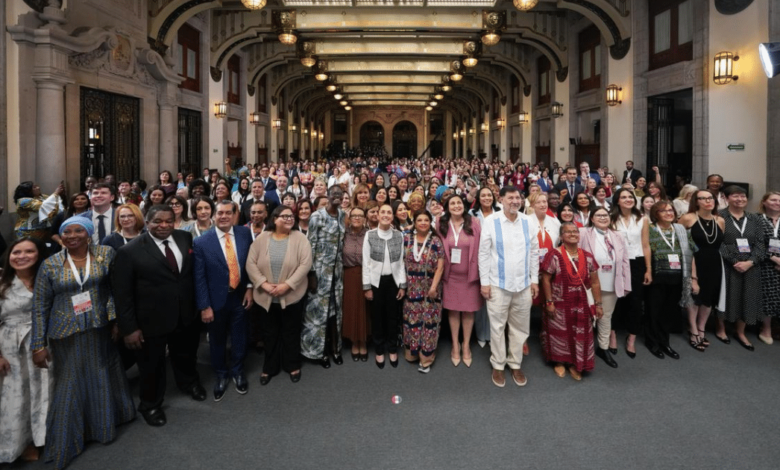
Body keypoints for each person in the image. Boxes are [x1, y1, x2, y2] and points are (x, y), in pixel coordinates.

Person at [31, 218, 135, 468]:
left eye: (79, 230)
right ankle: (66, 441)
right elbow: (39, 307)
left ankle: (103, 427)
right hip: (66, 333)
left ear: (89, 235)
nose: (72, 235)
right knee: (70, 383)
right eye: (66, 232)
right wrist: (38, 344)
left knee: (101, 375)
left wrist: (116, 320)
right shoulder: (51, 264)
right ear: (61, 236)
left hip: (99, 329)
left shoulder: (105, 254)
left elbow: (113, 289)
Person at [112, 205, 206, 427]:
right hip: (150, 321)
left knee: (186, 355)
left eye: (168, 221)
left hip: (185, 314)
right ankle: (150, 404)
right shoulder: (129, 251)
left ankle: (189, 383)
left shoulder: (184, 238)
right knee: (151, 366)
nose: (163, 226)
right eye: (157, 221)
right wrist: (129, 328)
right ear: (146, 221)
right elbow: (122, 294)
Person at [478, 186, 539, 388]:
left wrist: (535, 280)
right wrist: (484, 282)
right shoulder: (490, 222)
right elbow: (484, 254)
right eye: (510, 197)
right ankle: (498, 364)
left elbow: (534, 252)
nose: (515, 201)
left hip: (523, 285)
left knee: (520, 329)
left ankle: (515, 363)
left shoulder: (528, 221)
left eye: (518, 197)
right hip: (497, 285)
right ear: (501, 199)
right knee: (497, 327)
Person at [193, 201, 254, 401]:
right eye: (220, 213)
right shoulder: (202, 241)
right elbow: (199, 277)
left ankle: (237, 370)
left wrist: (250, 288)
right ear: (214, 215)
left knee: (239, 336)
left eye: (228, 213)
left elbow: (250, 265)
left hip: (239, 296)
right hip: (215, 300)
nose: (224, 216)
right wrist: (204, 306)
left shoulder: (245, 234)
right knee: (217, 340)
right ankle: (221, 374)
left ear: (235, 215)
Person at [0, 238, 51, 463]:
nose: (21, 256)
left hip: (43, 344)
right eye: (16, 252)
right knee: (16, 395)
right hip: (10, 347)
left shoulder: (47, 279)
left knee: (44, 391)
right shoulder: (2, 283)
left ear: (38, 255)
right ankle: (17, 444)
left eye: (29, 251)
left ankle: (40, 439)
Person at [540, 222, 603, 380]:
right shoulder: (554, 255)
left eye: (575, 231)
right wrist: (549, 302)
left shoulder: (587, 256)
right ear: (561, 237)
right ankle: (559, 362)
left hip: (581, 303)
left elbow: (595, 282)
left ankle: (576, 364)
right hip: (559, 302)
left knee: (580, 334)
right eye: (568, 232)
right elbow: (546, 280)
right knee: (558, 334)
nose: (573, 234)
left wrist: (598, 304)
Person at [578, 207, 631, 368]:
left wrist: (626, 283)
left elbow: (625, 260)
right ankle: (582, 349)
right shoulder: (583, 233)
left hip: (611, 283)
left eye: (605, 215)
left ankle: (603, 347)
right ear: (592, 219)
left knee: (605, 316)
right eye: (598, 215)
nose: (603, 217)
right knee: (584, 316)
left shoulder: (618, 235)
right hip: (587, 284)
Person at [715, 185, 766, 350]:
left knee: (747, 296)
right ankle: (721, 328)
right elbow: (718, 242)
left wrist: (751, 261)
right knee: (725, 295)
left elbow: (760, 243)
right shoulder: (719, 216)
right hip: (727, 264)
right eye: (735, 196)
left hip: (751, 265)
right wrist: (734, 260)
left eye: (743, 197)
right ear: (726, 198)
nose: (740, 199)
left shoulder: (755, 218)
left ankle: (740, 332)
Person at [644, 200, 696, 359]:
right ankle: (652, 342)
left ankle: (664, 341)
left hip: (678, 276)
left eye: (670, 210)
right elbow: (645, 250)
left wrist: (694, 278)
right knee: (654, 310)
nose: (669, 213)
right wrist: (648, 271)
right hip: (657, 276)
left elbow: (691, 253)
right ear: (655, 214)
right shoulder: (650, 229)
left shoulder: (681, 229)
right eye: (663, 211)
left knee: (669, 311)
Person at [302, 186, 346, 367]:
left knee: (335, 313)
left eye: (340, 194)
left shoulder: (343, 215)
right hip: (320, 272)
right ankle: (320, 353)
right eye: (333, 193)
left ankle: (335, 349)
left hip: (337, 272)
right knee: (319, 314)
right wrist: (311, 273)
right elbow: (310, 244)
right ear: (327, 196)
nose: (337, 197)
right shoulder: (317, 216)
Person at [677, 189, 725, 351]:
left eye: (710, 198)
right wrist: (692, 275)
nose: (707, 201)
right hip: (694, 262)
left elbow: (718, 244)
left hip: (714, 263)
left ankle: (702, 327)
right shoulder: (687, 218)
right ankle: (693, 330)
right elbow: (680, 243)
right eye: (702, 198)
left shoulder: (720, 220)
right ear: (696, 202)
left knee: (708, 297)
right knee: (694, 296)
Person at [438, 195, 482, 367]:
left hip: (470, 277)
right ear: (447, 207)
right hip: (450, 277)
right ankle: (455, 344)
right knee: (454, 311)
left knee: (469, 311)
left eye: (459, 203)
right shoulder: (440, 223)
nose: (456, 206)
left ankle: (466, 345)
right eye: (452, 203)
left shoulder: (475, 223)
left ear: (464, 205)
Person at [362, 203, 407, 369]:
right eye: (383, 212)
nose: (386, 215)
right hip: (376, 283)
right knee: (378, 318)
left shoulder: (398, 235)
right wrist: (366, 287)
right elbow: (366, 263)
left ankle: (392, 348)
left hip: (393, 282)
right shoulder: (370, 235)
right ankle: (380, 350)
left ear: (392, 215)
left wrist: (403, 285)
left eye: (389, 212)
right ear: (378, 215)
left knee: (393, 317)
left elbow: (401, 262)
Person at [401, 210, 444, 373]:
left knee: (429, 324)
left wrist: (433, 287)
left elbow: (441, 266)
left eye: (426, 220)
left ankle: (426, 359)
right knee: (412, 321)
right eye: (420, 220)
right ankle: (412, 353)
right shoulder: (406, 239)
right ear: (415, 222)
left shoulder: (436, 241)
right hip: (411, 288)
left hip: (430, 289)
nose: (423, 223)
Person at [342, 207, 370, 362]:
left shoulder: (370, 234)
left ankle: (363, 340)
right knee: (351, 308)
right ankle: (354, 340)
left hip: (366, 275)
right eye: (354, 215)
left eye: (360, 215)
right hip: (349, 275)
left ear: (364, 218)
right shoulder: (343, 234)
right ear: (350, 218)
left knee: (365, 309)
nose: (357, 218)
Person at [759, 192, 780, 342]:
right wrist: (775, 260)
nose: (777, 202)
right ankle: (766, 328)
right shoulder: (756, 220)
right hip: (763, 264)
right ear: (764, 202)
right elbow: (754, 243)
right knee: (768, 296)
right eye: (773, 200)